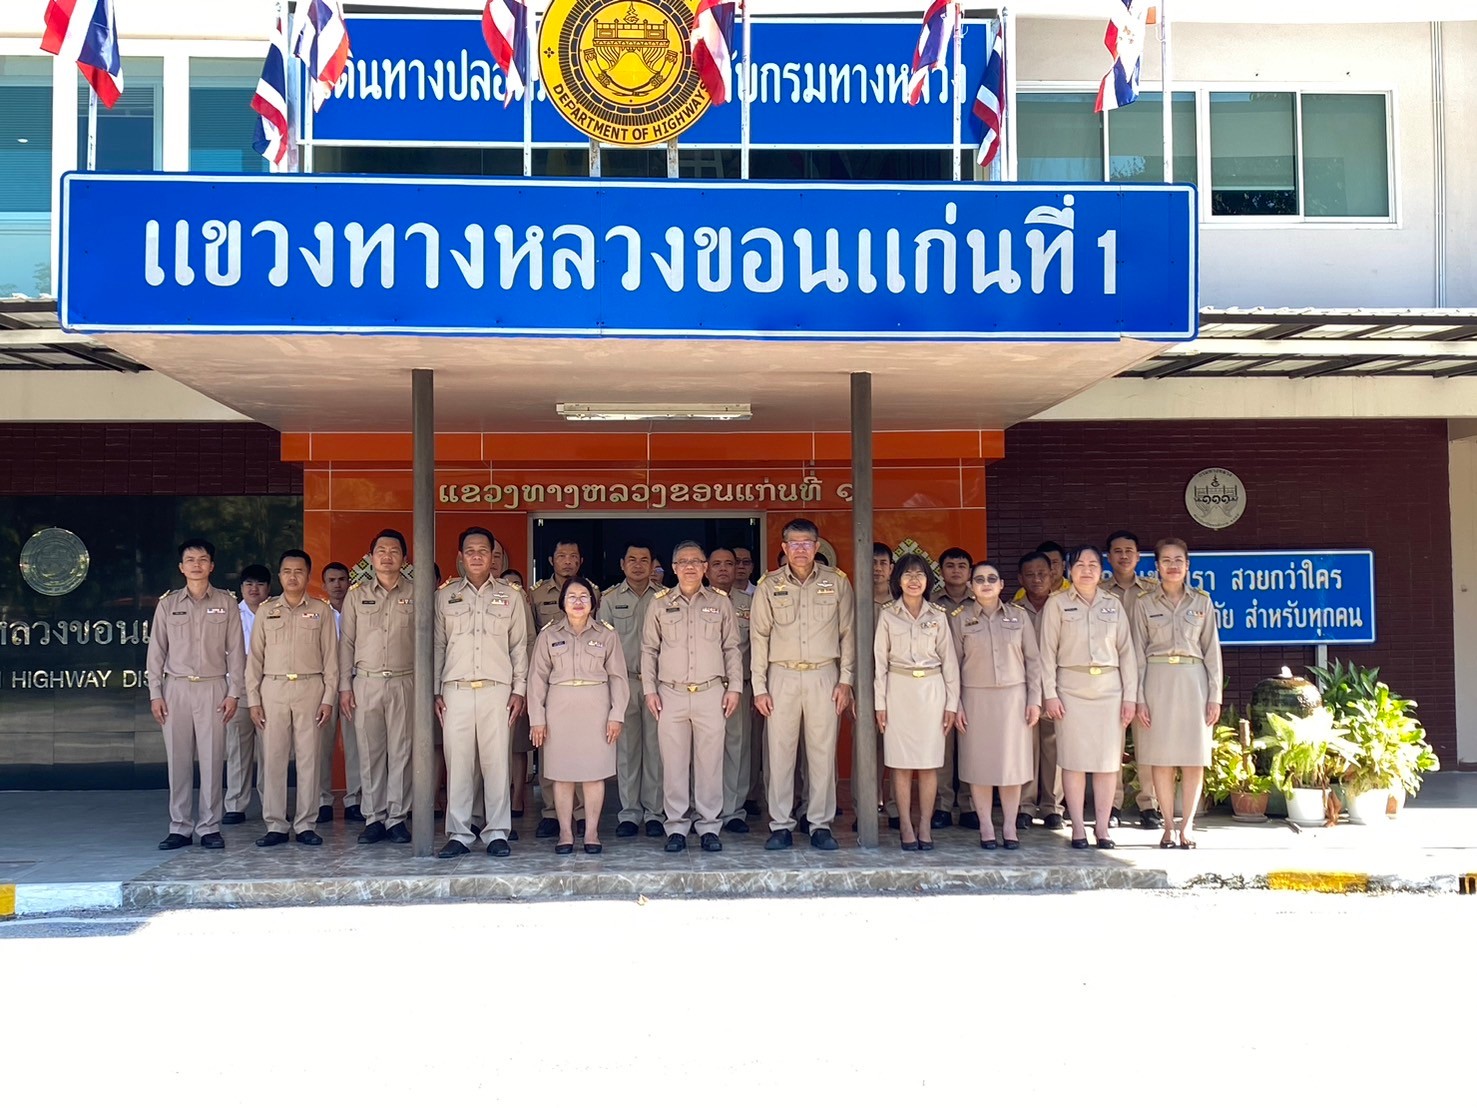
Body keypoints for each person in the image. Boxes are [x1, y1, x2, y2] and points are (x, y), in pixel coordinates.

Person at [750, 517, 856, 852]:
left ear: (816, 546)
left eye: (806, 543)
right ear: (783, 547)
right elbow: (759, 637)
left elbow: (848, 633)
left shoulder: (837, 582)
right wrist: (759, 687)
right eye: (793, 543)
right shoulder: (769, 585)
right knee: (779, 753)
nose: (800, 549)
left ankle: (819, 824)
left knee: (822, 753)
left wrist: (846, 680)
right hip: (780, 675)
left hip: (824, 675)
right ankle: (780, 824)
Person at [434, 527, 530, 858]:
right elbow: (438, 645)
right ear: (460, 557)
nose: (477, 556)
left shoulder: (511, 596)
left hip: (497, 691)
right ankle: (459, 833)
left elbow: (519, 646)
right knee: (458, 764)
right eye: (470, 551)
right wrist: (435, 691)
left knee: (497, 763)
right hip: (456, 690)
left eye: (483, 551)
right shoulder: (445, 596)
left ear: (493, 557)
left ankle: (497, 832)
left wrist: (519, 689)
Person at [642, 541, 743, 853]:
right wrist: (649, 690)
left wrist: (735, 687)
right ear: (674, 568)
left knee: (710, 763)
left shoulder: (720, 602)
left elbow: (731, 647)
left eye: (695, 561)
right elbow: (649, 650)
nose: (689, 566)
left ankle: (709, 825)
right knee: (673, 765)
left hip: (711, 692)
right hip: (670, 693)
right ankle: (676, 826)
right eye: (683, 561)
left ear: (704, 568)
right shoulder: (659, 603)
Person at [146, 538, 246, 850]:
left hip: (214, 687)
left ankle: (209, 827)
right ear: (181, 567)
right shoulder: (168, 604)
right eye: (190, 560)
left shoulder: (227, 603)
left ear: (211, 566)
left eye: (202, 559)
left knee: (213, 760)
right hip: (176, 688)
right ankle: (179, 827)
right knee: (178, 760)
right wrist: (155, 693)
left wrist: (234, 693)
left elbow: (236, 653)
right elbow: (156, 652)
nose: (196, 565)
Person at [1039, 545, 1138, 850]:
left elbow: (1127, 653)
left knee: (1107, 763)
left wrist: (1130, 697)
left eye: (1093, 564)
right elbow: (1047, 653)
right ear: (1070, 570)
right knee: (1073, 761)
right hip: (1071, 690)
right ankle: (1079, 828)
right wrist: (1050, 694)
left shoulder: (1113, 604)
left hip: (1109, 690)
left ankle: (1103, 828)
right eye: (1080, 564)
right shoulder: (1056, 604)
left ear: (1101, 570)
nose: (1086, 570)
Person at [1132, 538, 1223, 850]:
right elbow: (1137, 653)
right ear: (1156, 566)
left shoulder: (1202, 602)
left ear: (1188, 565)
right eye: (1166, 560)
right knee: (1161, 758)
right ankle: (1168, 826)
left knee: (1194, 758)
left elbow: (1212, 652)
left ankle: (1188, 826)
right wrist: (1138, 697)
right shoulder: (1144, 603)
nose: (1173, 566)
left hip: (1193, 681)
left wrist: (1215, 696)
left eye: (1178, 560)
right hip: (1156, 680)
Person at [528, 576, 629, 854]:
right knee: (562, 775)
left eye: (584, 596)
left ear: (593, 603)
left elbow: (618, 678)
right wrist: (537, 718)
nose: (578, 602)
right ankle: (565, 833)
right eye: (572, 596)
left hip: (596, 711)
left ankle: (592, 832)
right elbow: (536, 680)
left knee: (594, 774)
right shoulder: (548, 635)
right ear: (562, 602)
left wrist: (616, 714)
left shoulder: (607, 635)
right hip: (559, 712)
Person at [245, 549, 339, 847]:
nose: (292, 576)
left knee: (310, 759)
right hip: (273, 689)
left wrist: (328, 698)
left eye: (299, 571)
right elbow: (254, 659)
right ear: (280, 575)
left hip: (311, 688)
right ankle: (275, 824)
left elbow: (331, 659)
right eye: (287, 571)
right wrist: (254, 700)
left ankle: (306, 824)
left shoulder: (321, 611)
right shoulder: (266, 611)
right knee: (273, 759)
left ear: (308, 575)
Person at [949, 560, 1042, 849]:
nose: (986, 584)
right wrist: (956, 704)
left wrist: (1034, 700)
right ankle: (986, 826)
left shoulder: (1019, 616)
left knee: (1011, 766)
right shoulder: (960, 618)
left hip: (1014, 700)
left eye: (992, 579)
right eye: (979, 579)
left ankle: (1010, 825)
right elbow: (952, 666)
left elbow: (1033, 661)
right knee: (980, 766)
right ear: (971, 586)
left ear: (1002, 585)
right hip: (975, 700)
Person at [874, 554, 959, 851]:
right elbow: (879, 663)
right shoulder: (888, 615)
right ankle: (906, 826)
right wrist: (880, 704)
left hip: (931, 692)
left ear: (928, 580)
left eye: (919, 574)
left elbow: (950, 663)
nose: (913, 580)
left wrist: (951, 704)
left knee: (928, 764)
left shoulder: (938, 616)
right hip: (898, 691)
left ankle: (925, 824)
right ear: (898, 580)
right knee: (900, 764)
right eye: (908, 574)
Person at [339, 529, 415, 846]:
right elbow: (347, 643)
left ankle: (397, 818)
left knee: (402, 752)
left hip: (405, 681)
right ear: (371, 558)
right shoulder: (356, 595)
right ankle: (373, 817)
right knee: (369, 753)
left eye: (394, 551)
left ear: (404, 558)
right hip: (366, 682)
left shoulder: (418, 592)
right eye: (381, 550)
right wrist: (345, 686)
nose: (387, 556)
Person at [530, 540, 599, 839]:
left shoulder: (593, 591)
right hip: (552, 681)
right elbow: (532, 636)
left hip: (586, 685)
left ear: (581, 560)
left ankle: (583, 815)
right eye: (561, 556)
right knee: (553, 756)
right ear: (551, 560)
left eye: (573, 556)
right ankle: (552, 813)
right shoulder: (535, 594)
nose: (567, 561)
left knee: (585, 754)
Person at [596, 542, 665, 838]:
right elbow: (601, 646)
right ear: (622, 564)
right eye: (632, 560)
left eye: (644, 560)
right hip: (623, 683)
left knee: (656, 750)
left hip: (658, 685)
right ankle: (629, 813)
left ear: (652, 565)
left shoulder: (664, 598)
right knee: (626, 751)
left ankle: (654, 812)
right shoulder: (610, 599)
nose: (638, 565)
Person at [1104, 529, 1160, 830]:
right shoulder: (1099, 590)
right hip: (1111, 674)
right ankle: (1112, 804)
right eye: (1117, 551)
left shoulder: (1153, 590)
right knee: (1112, 743)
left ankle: (1149, 805)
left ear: (1138, 557)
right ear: (1109, 557)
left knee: (1147, 741)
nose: (1123, 556)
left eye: (1129, 551)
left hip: (1147, 673)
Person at [929, 546, 977, 831]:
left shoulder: (981, 601)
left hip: (973, 682)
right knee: (943, 747)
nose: (956, 570)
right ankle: (943, 805)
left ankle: (970, 805)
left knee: (972, 744)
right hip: (939, 681)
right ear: (941, 570)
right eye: (950, 565)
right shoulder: (931, 603)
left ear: (969, 571)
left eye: (962, 565)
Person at [1015, 552, 1064, 830]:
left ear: (1052, 575)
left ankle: (1052, 807)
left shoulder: (1063, 607)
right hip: (1024, 689)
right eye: (1030, 575)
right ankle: (1024, 805)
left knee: (1054, 746)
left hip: (1057, 687)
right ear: (1020, 579)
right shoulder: (1013, 610)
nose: (1036, 579)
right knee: (1025, 747)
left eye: (1042, 574)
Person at [708, 546, 754, 834]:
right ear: (706, 569)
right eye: (717, 564)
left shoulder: (750, 603)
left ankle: (734, 810)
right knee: (703, 752)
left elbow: (759, 645)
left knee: (737, 748)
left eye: (729, 563)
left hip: (739, 687)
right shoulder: (696, 601)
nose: (724, 569)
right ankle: (702, 808)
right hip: (705, 687)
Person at [315, 561, 364, 825]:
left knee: (355, 744)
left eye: (342, 579)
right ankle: (322, 801)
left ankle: (354, 800)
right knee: (321, 745)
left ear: (350, 582)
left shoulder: (360, 609)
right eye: (332, 580)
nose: (337, 585)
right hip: (323, 685)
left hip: (354, 682)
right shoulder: (317, 613)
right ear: (324, 585)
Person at [223, 563, 270, 824]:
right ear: (241, 588)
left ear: (268, 588)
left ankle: (271, 804)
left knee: (271, 751)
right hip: (239, 689)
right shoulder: (231, 614)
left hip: (269, 689)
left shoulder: (276, 611)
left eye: (260, 584)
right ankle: (235, 805)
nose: (254, 589)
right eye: (249, 584)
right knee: (238, 749)